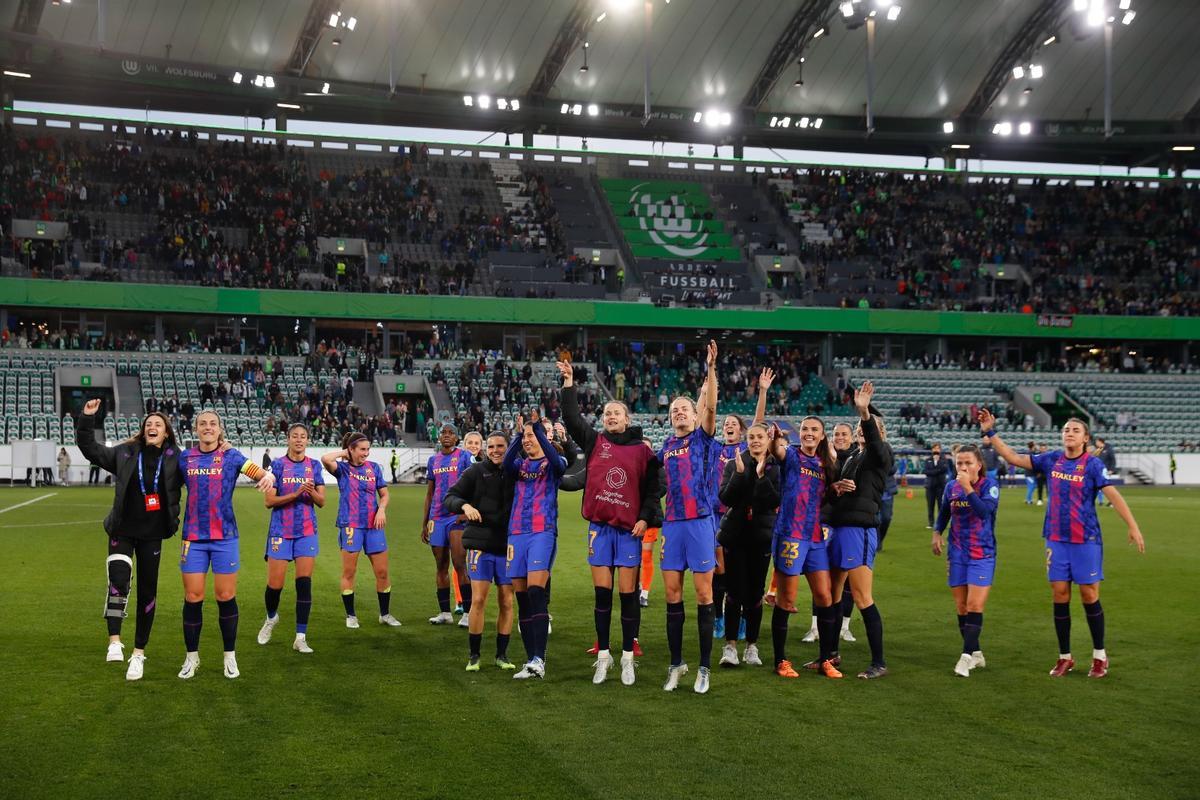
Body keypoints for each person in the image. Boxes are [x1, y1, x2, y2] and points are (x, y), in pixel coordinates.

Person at [976, 410, 1145, 678]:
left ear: (1085, 439)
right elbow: (1012, 458)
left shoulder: (1092, 465)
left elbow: (1113, 494)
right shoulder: (1052, 459)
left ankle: (1100, 656)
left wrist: (1133, 526)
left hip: (1086, 540)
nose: (1069, 433)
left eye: (1075, 430)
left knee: (1089, 595)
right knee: (1060, 596)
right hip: (1056, 539)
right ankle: (1065, 656)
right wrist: (990, 431)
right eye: (1066, 429)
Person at [557, 360, 660, 686]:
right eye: (607, 414)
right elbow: (572, 419)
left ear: (628, 419)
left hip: (629, 531)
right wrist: (570, 383)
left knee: (627, 597)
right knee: (602, 596)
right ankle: (604, 657)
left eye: (617, 413)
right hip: (600, 529)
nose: (611, 417)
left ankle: (628, 658)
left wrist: (645, 518)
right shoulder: (595, 441)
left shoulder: (643, 452)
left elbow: (654, 490)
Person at [76, 400, 183, 681]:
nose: (152, 426)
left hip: (153, 534)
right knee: (119, 579)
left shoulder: (175, 457)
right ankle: (114, 641)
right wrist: (88, 417)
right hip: (122, 529)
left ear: (166, 432)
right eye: (149, 423)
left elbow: (200, 473)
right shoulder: (125, 453)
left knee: (148, 593)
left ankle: (138, 654)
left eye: (158, 424)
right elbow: (90, 449)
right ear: (143, 429)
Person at [177, 410, 275, 680]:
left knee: (225, 597)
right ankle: (191, 657)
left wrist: (267, 477)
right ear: (196, 429)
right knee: (193, 597)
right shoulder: (185, 458)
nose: (207, 428)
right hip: (193, 538)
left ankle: (229, 657)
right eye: (202, 424)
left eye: (212, 424)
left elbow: (259, 473)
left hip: (225, 537)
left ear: (220, 429)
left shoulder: (231, 457)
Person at [658, 340, 720, 694]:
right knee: (671, 594)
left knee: (702, 593)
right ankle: (676, 663)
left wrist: (710, 371)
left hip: (699, 523)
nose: (680, 412)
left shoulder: (703, 438)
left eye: (685, 408)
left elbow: (710, 406)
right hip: (673, 525)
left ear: (695, 416)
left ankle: (704, 667)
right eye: (674, 410)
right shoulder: (665, 446)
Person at [765, 417, 843, 679]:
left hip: (815, 538)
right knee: (786, 600)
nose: (809, 434)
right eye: (805, 429)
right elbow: (776, 450)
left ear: (822, 436)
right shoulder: (791, 455)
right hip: (791, 535)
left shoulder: (826, 464)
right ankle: (781, 660)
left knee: (825, 597)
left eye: (814, 430)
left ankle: (825, 659)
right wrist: (775, 438)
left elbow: (825, 495)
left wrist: (835, 488)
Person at [826, 382, 893, 679]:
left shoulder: (882, 454)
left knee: (863, 598)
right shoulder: (853, 455)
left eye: (866, 428)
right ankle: (830, 656)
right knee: (832, 594)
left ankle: (879, 662)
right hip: (841, 528)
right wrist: (837, 487)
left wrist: (865, 412)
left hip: (859, 530)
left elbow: (876, 441)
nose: (861, 430)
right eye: (859, 426)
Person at [444, 432, 517, 672]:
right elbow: (450, 496)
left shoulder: (516, 471)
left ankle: (501, 655)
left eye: (501, 446)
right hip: (479, 545)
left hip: (507, 546)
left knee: (507, 601)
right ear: (486, 449)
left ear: (508, 448)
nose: (496, 450)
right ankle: (474, 656)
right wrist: (464, 505)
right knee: (478, 599)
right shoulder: (474, 472)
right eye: (492, 446)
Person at [503, 414, 567, 679]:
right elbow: (507, 462)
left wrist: (538, 431)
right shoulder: (519, 465)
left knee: (536, 592)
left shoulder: (555, 463)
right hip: (516, 534)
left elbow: (554, 459)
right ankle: (530, 661)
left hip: (542, 532)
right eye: (526, 437)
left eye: (532, 436)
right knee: (522, 600)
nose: (528, 440)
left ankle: (540, 659)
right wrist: (519, 434)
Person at [257, 423, 326, 654]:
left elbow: (322, 501)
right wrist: (296, 494)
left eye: (303, 436)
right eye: (294, 436)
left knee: (304, 584)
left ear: (308, 440)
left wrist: (311, 492)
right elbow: (269, 501)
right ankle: (271, 618)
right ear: (288, 439)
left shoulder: (314, 466)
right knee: (275, 586)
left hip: (306, 531)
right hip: (280, 531)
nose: (299, 440)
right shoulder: (276, 465)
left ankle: (300, 637)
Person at [932, 444, 999, 677]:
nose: (963, 467)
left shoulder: (989, 486)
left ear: (979, 465)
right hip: (957, 553)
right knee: (961, 606)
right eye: (959, 463)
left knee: (974, 606)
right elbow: (944, 512)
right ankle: (976, 653)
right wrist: (937, 532)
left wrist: (968, 487)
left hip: (982, 553)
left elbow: (983, 512)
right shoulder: (951, 487)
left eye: (968, 462)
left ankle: (965, 656)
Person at [715, 423, 776, 671]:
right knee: (733, 593)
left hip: (761, 538)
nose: (755, 441)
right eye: (751, 437)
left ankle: (752, 646)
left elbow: (773, 500)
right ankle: (730, 647)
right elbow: (726, 499)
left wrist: (761, 477)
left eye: (760, 437)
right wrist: (740, 474)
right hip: (736, 536)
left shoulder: (774, 467)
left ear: (767, 440)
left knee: (755, 594)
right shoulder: (734, 464)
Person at [321, 432, 397, 630]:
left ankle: (385, 614)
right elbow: (325, 459)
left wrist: (381, 509)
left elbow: (385, 494)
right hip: (351, 525)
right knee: (349, 572)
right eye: (362, 449)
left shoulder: (374, 468)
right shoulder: (342, 469)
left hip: (374, 525)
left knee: (382, 572)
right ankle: (351, 615)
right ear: (351, 450)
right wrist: (345, 453)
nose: (366, 453)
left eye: (368, 449)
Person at [421, 423, 474, 626]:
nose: (446, 435)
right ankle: (444, 612)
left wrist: (467, 510)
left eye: (451, 433)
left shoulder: (464, 457)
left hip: (457, 516)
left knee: (460, 563)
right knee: (440, 565)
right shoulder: (433, 460)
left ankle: (468, 613)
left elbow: (474, 484)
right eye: (443, 432)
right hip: (437, 518)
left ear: (457, 437)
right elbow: (430, 493)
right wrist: (425, 522)